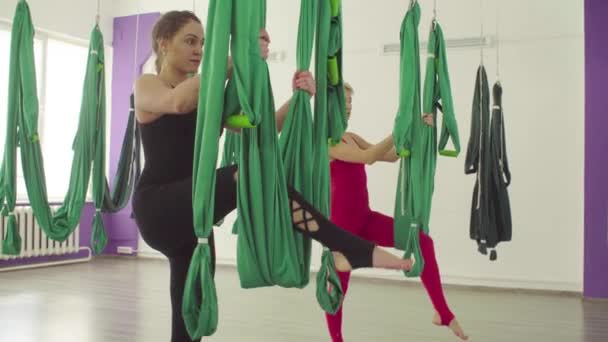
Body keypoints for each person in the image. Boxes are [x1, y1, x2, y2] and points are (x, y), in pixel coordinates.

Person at [131, 11, 413, 342]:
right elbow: (177, 103)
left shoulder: (206, 97)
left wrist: (299, 98)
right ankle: (347, 246)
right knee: (248, 174)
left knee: (190, 322)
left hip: (196, 219)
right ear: (163, 44)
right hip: (160, 206)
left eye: (204, 42)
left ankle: (347, 247)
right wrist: (237, 57)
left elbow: (260, 129)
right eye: (190, 41)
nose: (200, 49)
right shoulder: (148, 85)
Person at [325, 82, 468, 341]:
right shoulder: (326, 144)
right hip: (342, 232)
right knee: (336, 291)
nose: (348, 107)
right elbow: (368, 157)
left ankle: (442, 312)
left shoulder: (351, 137)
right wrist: (399, 129)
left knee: (421, 241)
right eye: (343, 102)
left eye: (350, 102)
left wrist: (416, 130)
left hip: (366, 220)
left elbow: (390, 156)